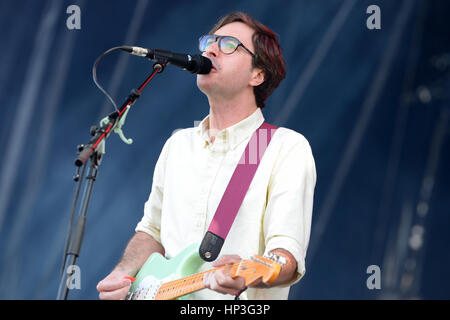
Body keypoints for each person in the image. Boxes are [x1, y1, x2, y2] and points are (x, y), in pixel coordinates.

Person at [96, 11, 316, 300]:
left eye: (228, 45)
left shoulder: (285, 148)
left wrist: (252, 272)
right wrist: (122, 274)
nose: (210, 49)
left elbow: (285, 256)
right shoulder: (177, 145)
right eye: (209, 42)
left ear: (257, 74)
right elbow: (151, 231)